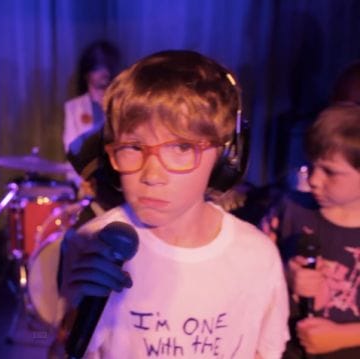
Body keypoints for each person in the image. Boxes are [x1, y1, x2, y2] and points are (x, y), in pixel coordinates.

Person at [55, 50, 289, 358]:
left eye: (181, 147)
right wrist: (73, 315)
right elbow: (59, 349)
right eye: (133, 147)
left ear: (226, 159)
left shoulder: (257, 256)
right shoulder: (92, 243)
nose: (151, 175)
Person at [262, 103, 360, 358]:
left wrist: (342, 336)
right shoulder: (289, 210)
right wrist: (284, 275)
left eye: (330, 172)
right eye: (312, 166)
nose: (314, 179)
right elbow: (243, 275)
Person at [63, 40, 121, 188]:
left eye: (108, 67)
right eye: (98, 68)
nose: (105, 73)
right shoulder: (73, 107)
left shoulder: (121, 104)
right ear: (87, 73)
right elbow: (72, 150)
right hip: (84, 183)